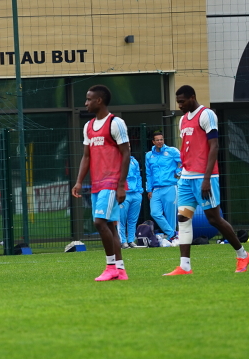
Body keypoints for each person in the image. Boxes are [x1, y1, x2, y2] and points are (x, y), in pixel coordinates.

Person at [165, 85, 249, 275]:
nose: (179, 105)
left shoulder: (207, 115)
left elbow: (214, 146)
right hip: (187, 177)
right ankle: (185, 266)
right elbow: (187, 147)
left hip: (204, 177)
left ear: (192, 97)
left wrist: (206, 178)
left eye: (182, 101)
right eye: (178, 102)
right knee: (183, 218)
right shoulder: (182, 121)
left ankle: (242, 254)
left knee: (214, 218)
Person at [72, 85, 131, 281]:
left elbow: (126, 154)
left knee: (99, 222)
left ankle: (110, 266)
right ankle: (120, 270)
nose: (85, 103)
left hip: (112, 182)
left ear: (99, 101)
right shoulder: (88, 126)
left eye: (88, 99)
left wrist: (121, 185)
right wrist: (79, 182)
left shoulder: (116, 123)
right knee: (111, 226)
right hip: (97, 183)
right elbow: (86, 157)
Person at [145, 131, 180, 243]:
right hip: (156, 189)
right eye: (157, 140)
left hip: (170, 186)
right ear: (153, 142)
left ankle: (171, 239)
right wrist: (149, 189)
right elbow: (148, 173)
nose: (160, 142)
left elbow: (185, 162)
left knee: (171, 216)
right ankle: (173, 234)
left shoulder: (172, 151)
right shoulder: (149, 155)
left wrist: (178, 173)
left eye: (161, 139)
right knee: (154, 212)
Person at [119, 156, 144, 249]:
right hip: (123, 193)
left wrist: (139, 191)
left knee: (133, 220)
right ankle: (123, 241)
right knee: (121, 219)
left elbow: (138, 176)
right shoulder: (116, 159)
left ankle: (131, 240)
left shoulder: (134, 160)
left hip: (135, 193)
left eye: (129, 146)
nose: (128, 147)